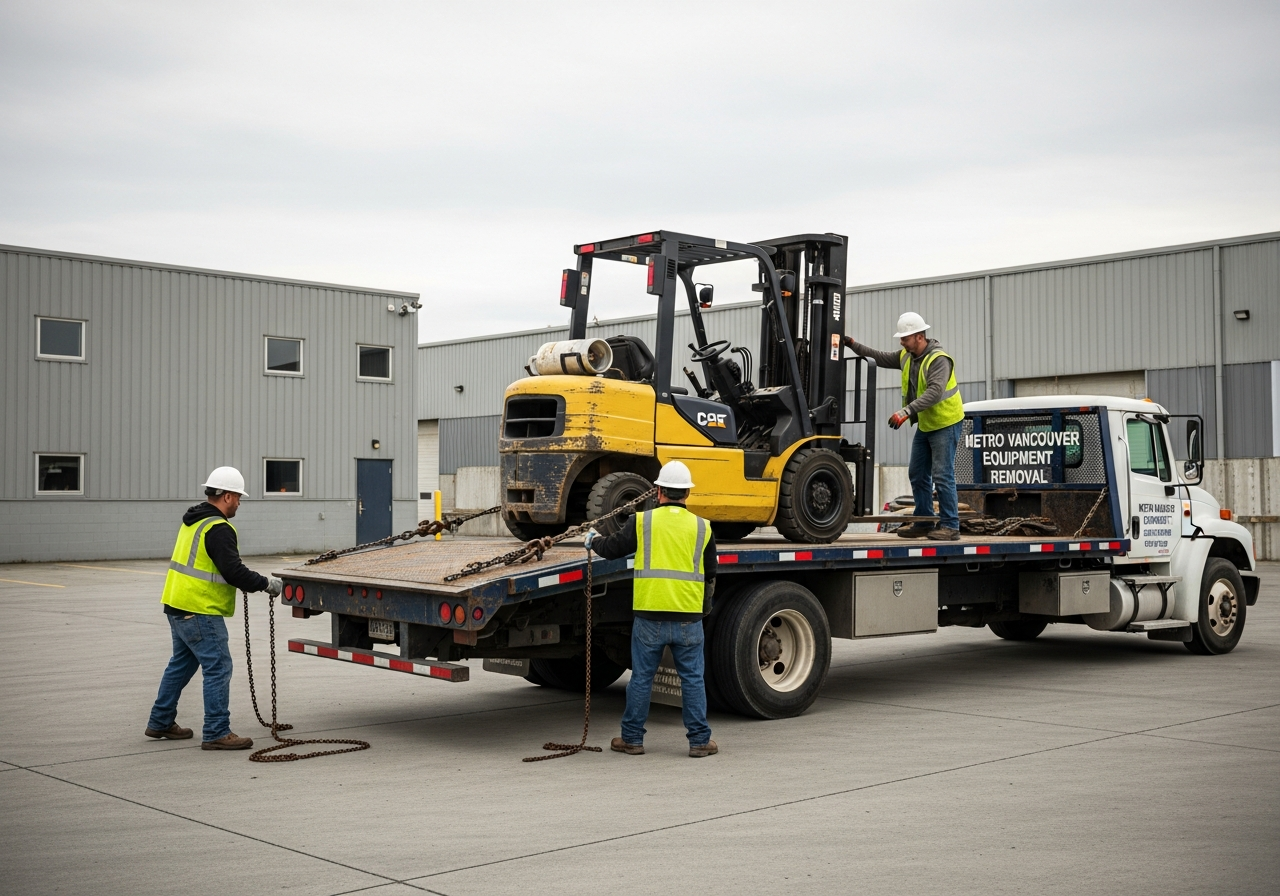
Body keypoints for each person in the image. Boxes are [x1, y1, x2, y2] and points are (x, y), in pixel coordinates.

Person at [586, 460, 718, 758]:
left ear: (658, 492)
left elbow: (612, 549)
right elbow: (710, 574)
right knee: (693, 679)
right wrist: (703, 611)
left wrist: (594, 541)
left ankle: (632, 739)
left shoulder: (641, 522)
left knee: (642, 678)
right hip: (688, 617)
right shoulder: (703, 527)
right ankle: (699, 741)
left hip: (649, 617)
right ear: (686, 494)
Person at [144, 466, 283, 750]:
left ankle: (160, 721)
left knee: (181, 664)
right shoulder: (218, 527)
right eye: (239, 498)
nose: (240, 504)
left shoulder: (193, 521)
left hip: (177, 604)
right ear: (228, 496)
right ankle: (217, 731)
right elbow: (233, 571)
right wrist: (266, 584)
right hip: (200, 609)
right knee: (219, 667)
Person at [844, 312, 965, 541]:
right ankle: (924, 521)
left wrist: (906, 411)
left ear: (919, 336)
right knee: (918, 473)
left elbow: (934, 392)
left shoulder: (938, 359)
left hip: (946, 422)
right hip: (928, 424)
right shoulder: (907, 357)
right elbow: (877, 357)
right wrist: (852, 344)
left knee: (942, 474)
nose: (901, 341)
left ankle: (950, 526)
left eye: (905, 338)